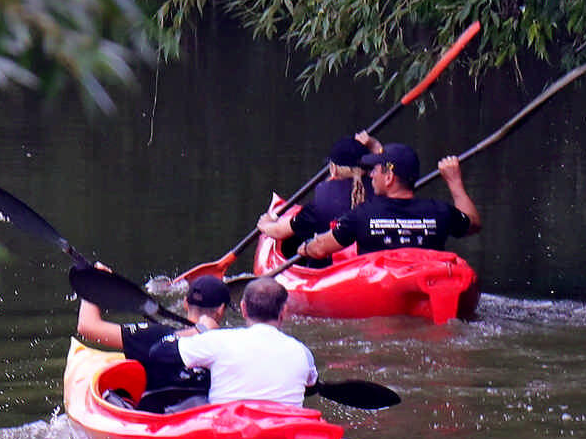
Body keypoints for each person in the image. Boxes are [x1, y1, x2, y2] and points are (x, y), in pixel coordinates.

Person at [293, 142, 480, 262]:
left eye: (375, 170)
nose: (371, 175)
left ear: (389, 177)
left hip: (378, 291)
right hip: (425, 281)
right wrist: (455, 182)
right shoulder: (440, 211)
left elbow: (320, 249)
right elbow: (473, 224)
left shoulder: (362, 215)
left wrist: (306, 248)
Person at [76, 269, 230, 412]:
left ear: (185, 303)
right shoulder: (230, 345)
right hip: (207, 417)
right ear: (221, 309)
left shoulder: (151, 335)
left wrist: (94, 283)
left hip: (155, 418)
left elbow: (88, 326)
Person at [175, 278, 318, 406]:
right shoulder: (303, 353)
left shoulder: (217, 340)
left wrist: (197, 330)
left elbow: (164, 350)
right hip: (285, 426)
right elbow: (310, 387)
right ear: (284, 311)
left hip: (230, 426)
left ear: (243, 308)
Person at [255, 131, 379, 270]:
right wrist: (375, 146)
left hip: (330, 273)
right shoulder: (384, 192)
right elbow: (390, 166)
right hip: (371, 268)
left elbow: (278, 232)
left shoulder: (320, 205)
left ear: (333, 169)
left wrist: (265, 225)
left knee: (302, 236)